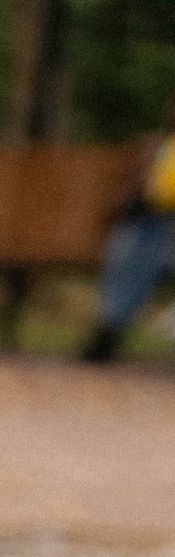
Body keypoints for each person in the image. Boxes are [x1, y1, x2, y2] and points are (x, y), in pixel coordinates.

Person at [82, 102, 175, 362]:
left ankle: (110, 329)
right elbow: (122, 196)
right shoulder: (155, 146)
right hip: (149, 225)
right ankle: (111, 327)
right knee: (134, 246)